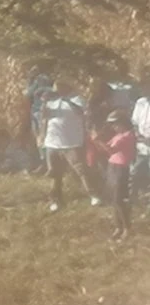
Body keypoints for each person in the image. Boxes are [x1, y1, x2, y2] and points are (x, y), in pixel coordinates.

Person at [38, 84, 97, 211]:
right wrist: (44, 102)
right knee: (55, 174)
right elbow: (44, 118)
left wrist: (66, 100)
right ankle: (56, 200)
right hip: (52, 143)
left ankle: (93, 195)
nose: (57, 91)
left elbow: (80, 112)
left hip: (72, 143)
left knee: (81, 171)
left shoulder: (77, 99)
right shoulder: (51, 102)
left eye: (59, 88)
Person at [98, 109, 136, 239]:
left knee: (120, 199)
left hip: (121, 169)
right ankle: (118, 226)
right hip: (112, 166)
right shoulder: (117, 135)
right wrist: (97, 140)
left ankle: (126, 228)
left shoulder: (127, 136)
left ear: (123, 122)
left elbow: (110, 150)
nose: (113, 127)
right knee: (114, 199)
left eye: (115, 124)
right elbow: (104, 149)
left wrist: (98, 140)